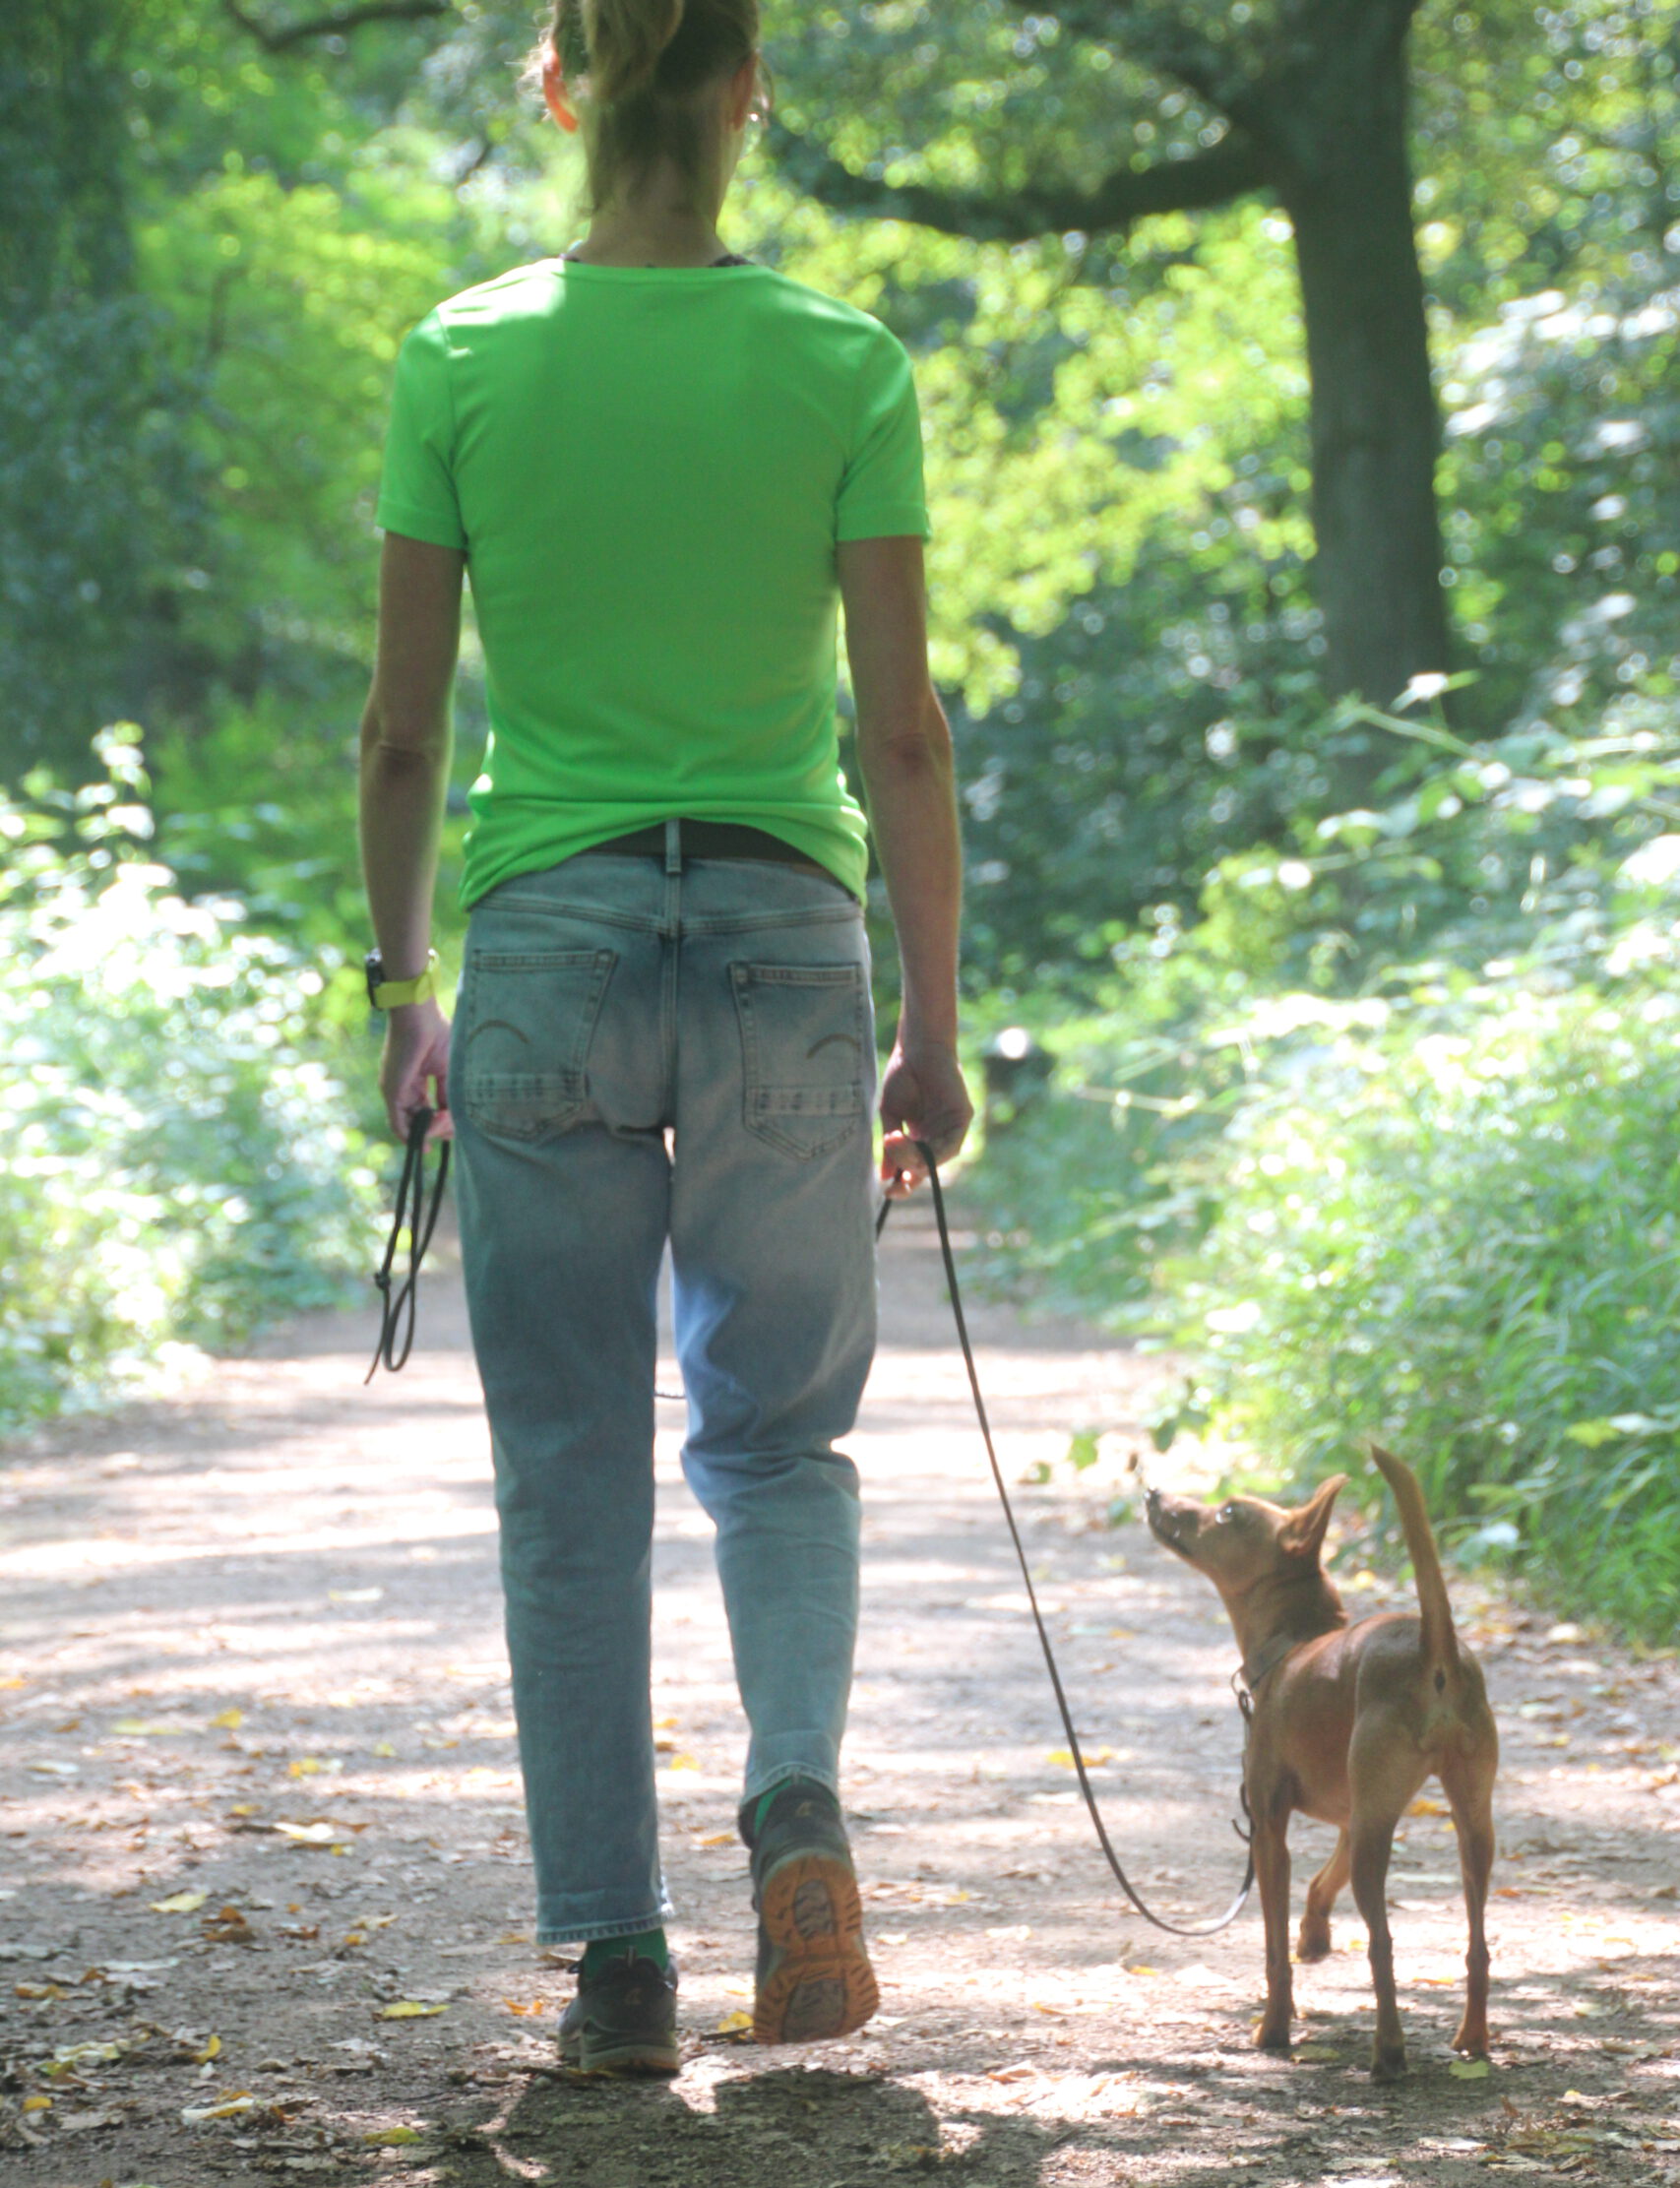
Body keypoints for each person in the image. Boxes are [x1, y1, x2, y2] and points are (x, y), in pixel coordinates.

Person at [358, 0, 972, 2075]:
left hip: (546, 938)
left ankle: (615, 1961)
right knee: (779, 1439)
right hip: (790, 946)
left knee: (565, 1462)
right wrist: (936, 1023)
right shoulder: (838, 361)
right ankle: (792, 1804)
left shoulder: (460, 356)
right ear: (745, 98)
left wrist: (398, 983)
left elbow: (402, 731)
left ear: (555, 92)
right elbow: (899, 731)